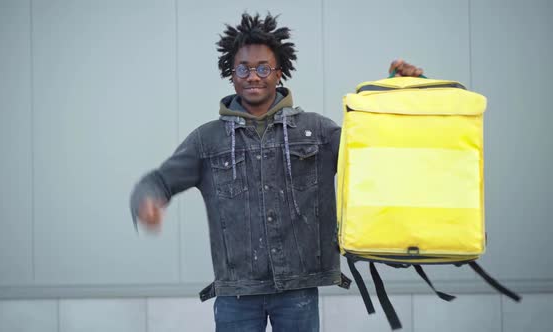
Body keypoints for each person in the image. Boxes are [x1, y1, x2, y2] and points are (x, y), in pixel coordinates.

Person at [130, 12, 423, 332]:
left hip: (298, 291)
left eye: (262, 68)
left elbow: (373, 149)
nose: (253, 76)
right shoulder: (208, 140)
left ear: (278, 73)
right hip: (236, 295)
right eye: (243, 68)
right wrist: (147, 201)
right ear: (232, 74)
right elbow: (157, 181)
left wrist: (398, 91)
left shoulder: (317, 132)